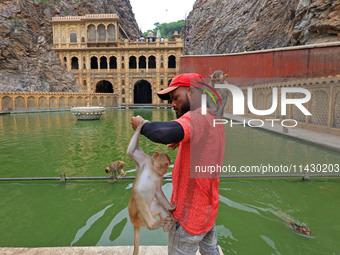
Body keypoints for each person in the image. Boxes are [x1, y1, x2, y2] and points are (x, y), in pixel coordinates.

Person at [130, 73, 225, 255]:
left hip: (188, 216)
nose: (172, 104)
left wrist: (143, 125)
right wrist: (182, 140)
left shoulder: (197, 117)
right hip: (207, 211)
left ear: (193, 93)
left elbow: (164, 132)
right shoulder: (213, 117)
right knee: (211, 251)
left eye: (176, 98)